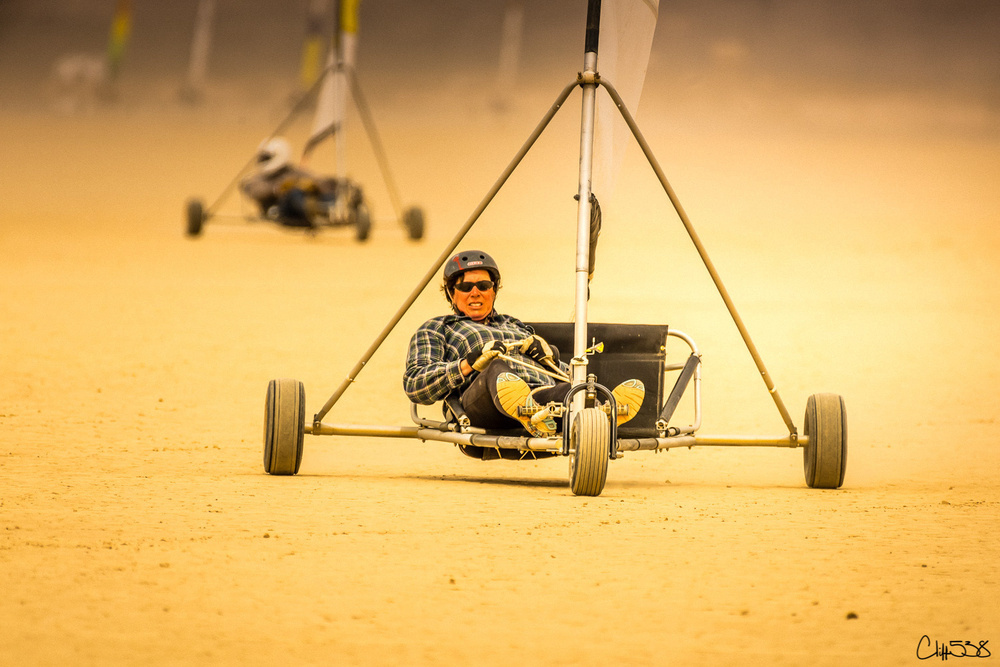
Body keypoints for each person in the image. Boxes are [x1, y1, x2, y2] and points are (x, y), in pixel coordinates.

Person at [403, 249, 644, 438]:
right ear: (451, 293)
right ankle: (556, 412)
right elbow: (415, 385)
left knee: (571, 390)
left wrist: (549, 358)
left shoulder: (516, 326)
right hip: (482, 404)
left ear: (494, 291)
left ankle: (598, 409)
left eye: (484, 286)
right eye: (466, 287)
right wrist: (469, 363)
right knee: (496, 369)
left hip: (541, 395)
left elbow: (560, 372)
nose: (475, 292)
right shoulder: (437, 328)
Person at [239, 137, 357, 228]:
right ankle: (322, 210)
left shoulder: (295, 172)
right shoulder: (259, 178)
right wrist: (278, 188)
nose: (263, 161)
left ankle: (337, 206)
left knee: (324, 192)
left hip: (307, 205)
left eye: (266, 158)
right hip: (282, 210)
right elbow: (255, 191)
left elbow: (318, 181)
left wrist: (334, 184)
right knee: (294, 193)